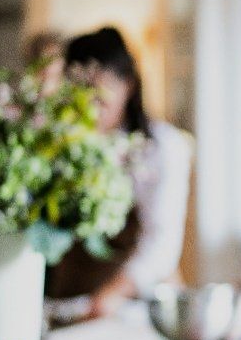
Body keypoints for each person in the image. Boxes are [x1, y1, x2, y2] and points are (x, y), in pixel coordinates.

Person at [46, 27, 192, 318]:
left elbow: (161, 245)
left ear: (128, 84)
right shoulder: (57, 144)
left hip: (135, 304)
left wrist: (111, 295)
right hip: (67, 301)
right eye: (78, 93)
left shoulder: (162, 147)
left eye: (99, 97)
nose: (88, 107)